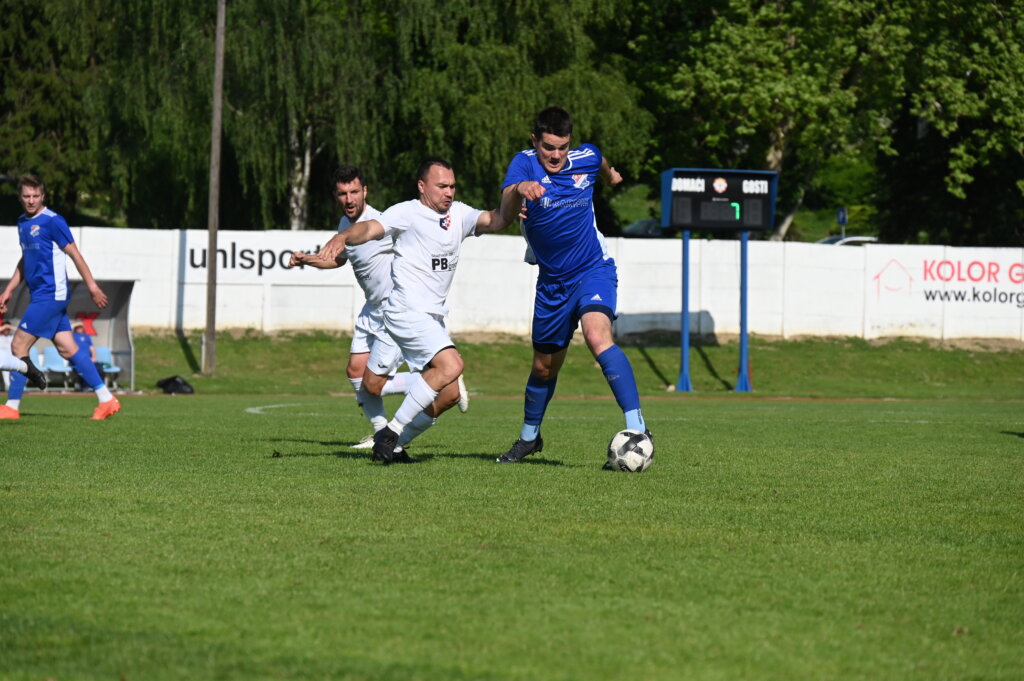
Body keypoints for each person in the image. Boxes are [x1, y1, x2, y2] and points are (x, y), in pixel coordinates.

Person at [316, 157, 511, 463]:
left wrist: (516, 193)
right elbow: (367, 229)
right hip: (405, 311)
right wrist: (342, 236)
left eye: (452, 186)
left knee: (438, 393)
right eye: (441, 186)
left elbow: (497, 219)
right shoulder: (406, 212)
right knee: (448, 367)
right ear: (422, 187)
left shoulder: (459, 213)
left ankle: (392, 443)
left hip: (428, 317)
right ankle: (390, 432)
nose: (449, 192)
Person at [496, 107, 649, 465]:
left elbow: (598, 159)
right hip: (552, 284)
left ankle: (639, 430)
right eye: (548, 147)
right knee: (543, 368)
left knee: (597, 336)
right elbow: (505, 206)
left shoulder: (586, 156)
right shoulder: (523, 163)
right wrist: (519, 190)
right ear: (535, 141)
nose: (555, 155)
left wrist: (611, 175)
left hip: (593, 270)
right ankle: (529, 438)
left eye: (562, 147)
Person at [289, 165, 469, 451]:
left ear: (365, 192)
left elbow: (413, 239)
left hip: (393, 310)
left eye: (354, 192)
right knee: (354, 371)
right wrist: (308, 259)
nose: (349, 199)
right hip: (371, 308)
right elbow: (339, 259)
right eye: (342, 193)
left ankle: (438, 381)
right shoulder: (344, 225)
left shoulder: (380, 222)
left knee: (373, 385)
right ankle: (380, 432)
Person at [0, 174, 121, 420]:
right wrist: (9, 289)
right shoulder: (22, 223)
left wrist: (93, 287)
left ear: (43, 196)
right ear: (20, 197)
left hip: (51, 296)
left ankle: (11, 406)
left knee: (18, 346)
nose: (31, 200)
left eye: (35, 196)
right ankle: (106, 399)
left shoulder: (54, 221)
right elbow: (26, 260)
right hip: (41, 296)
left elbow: (75, 254)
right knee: (69, 349)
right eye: (26, 196)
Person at [70, 319, 106, 390]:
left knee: (99, 367)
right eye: (78, 327)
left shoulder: (86, 336)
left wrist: (93, 357)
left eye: (81, 327)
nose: (80, 328)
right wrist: (77, 324)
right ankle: (84, 387)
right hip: (77, 359)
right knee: (84, 368)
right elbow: (69, 329)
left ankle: (99, 387)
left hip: (88, 359)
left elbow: (92, 348)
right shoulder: (72, 336)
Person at [0, 322, 14, 390]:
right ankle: (7, 385)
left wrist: (10, 326)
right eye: (6, 329)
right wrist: (4, 326)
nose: (7, 331)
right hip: (2, 358)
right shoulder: (0, 337)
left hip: (12, 357)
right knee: (4, 366)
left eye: (8, 329)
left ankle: (19, 384)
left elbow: (22, 332)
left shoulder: (12, 336)